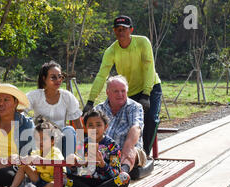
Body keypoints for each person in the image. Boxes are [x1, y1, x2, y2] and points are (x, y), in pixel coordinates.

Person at [84, 15, 162, 156]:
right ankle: (118, 155)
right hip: (127, 91)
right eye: (118, 30)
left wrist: (146, 94)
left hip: (150, 87)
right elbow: (102, 75)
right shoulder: (111, 51)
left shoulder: (142, 42)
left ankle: (145, 154)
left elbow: (149, 68)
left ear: (131, 30)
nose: (121, 33)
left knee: (150, 118)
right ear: (114, 31)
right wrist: (90, 101)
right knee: (125, 123)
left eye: (124, 29)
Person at [63, 109, 130, 187]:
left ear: (105, 127)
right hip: (87, 182)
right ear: (85, 128)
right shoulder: (82, 144)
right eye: (90, 125)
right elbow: (78, 171)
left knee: (124, 178)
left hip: (105, 183)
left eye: (98, 125)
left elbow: (115, 173)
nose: (94, 128)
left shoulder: (112, 146)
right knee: (62, 177)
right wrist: (73, 163)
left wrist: (103, 165)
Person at [0, 119, 64, 187]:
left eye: (43, 139)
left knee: (53, 184)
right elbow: (26, 160)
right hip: (40, 180)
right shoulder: (36, 152)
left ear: (52, 141)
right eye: (37, 139)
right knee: (24, 166)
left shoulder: (55, 152)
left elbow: (57, 164)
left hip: (54, 182)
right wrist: (17, 158)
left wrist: (40, 159)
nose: (40, 142)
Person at [26, 61, 83, 157]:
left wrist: (82, 150)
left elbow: (78, 125)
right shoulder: (35, 95)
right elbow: (18, 109)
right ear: (44, 79)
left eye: (60, 76)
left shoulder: (67, 96)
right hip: (40, 139)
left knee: (69, 130)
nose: (58, 80)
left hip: (60, 139)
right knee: (29, 126)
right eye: (53, 77)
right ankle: (30, 163)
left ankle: (69, 169)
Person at [94, 75, 146, 175]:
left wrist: (127, 148)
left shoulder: (134, 107)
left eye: (123, 91)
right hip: (103, 152)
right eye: (116, 91)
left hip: (127, 150)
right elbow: (91, 134)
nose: (120, 94)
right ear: (107, 92)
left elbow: (136, 128)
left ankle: (122, 174)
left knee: (132, 151)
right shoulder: (98, 109)